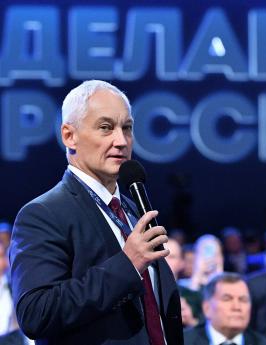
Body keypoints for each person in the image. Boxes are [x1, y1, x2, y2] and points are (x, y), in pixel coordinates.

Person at [9, 80, 183, 345]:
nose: (121, 141)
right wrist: (127, 265)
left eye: (127, 128)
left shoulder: (132, 209)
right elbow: (36, 313)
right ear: (69, 136)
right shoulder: (42, 214)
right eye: (105, 128)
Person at [184, 272, 266, 345]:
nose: (237, 307)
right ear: (207, 308)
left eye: (243, 300)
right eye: (227, 299)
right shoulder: (182, 341)